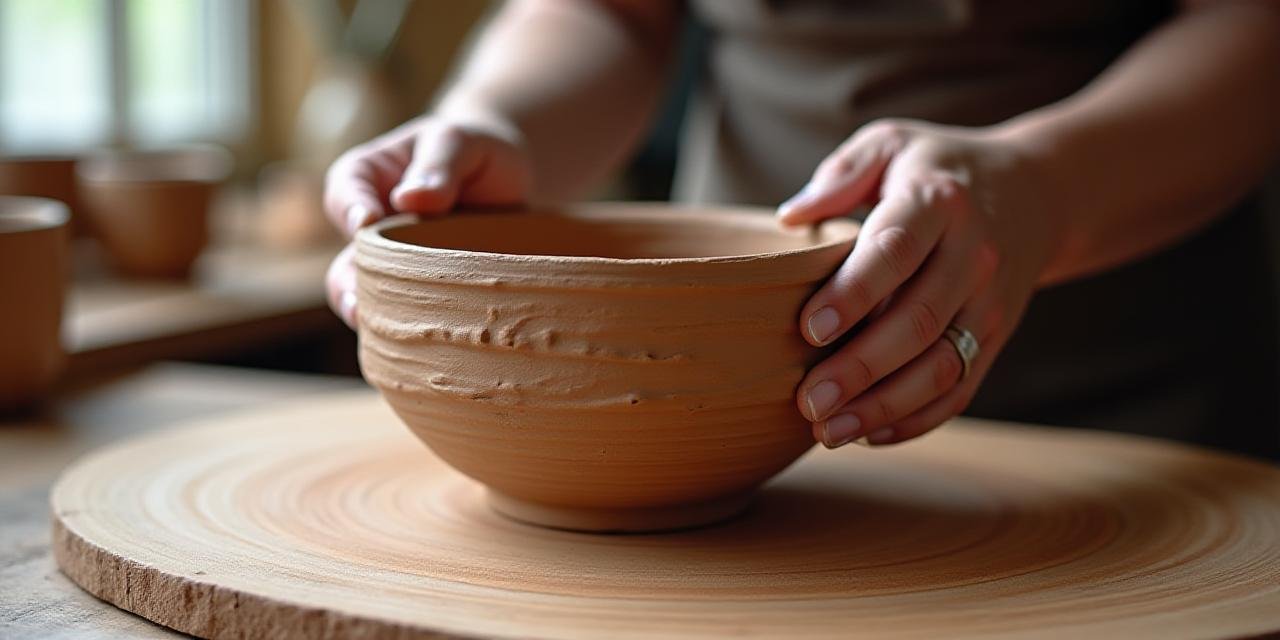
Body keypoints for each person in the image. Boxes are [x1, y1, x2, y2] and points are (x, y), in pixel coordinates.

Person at [324, 0, 1280, 458]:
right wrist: (496, 123)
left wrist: (1041, 192)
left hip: (1128, 412)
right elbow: (609, 12)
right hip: (726, 385)